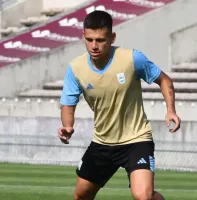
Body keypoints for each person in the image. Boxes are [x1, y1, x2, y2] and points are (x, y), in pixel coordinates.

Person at [58, 10, 181, 200]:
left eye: (100, 40)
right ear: (83, 36)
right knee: (81, 196)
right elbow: (68, 104)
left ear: (112, 37)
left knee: (143, 196)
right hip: (102, 142)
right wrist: (67, 126)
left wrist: (170, 110)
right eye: (89, 39)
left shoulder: (132, 59)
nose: (94, 46)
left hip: (136, 139)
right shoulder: (75, 68)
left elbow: (164, 80)